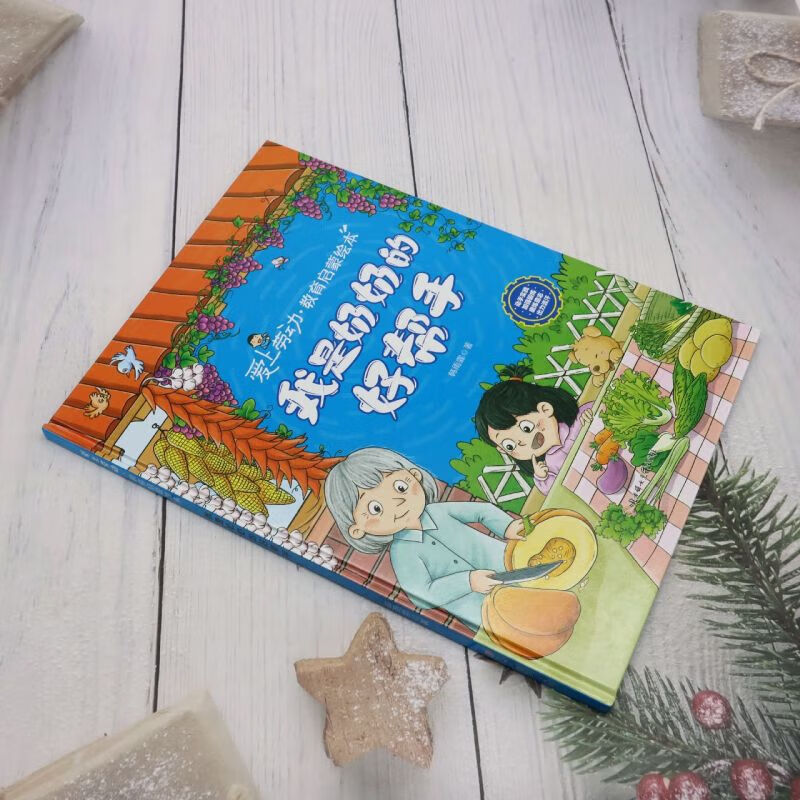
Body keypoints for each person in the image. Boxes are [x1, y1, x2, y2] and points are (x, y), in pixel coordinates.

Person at [325, 447, 525, 631]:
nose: (397, 502)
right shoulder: (402, 553)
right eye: (375, 508)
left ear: (414, 475)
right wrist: (467, 582)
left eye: (400, 487)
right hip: (486, 613)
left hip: (517, 566)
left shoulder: (438, 511)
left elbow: (481, 511)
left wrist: (507, 526)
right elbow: (421, 594)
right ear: (357, 530)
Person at [474, 365, 593, 493]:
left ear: (545, 409)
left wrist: (590, 417)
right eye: (509, 445)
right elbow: (555, 491)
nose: (521, 442)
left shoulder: (579, 422)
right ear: (503, 450)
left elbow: (602, 411)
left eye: (526, 428)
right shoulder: (551, 463)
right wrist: (542, 477)